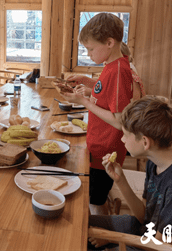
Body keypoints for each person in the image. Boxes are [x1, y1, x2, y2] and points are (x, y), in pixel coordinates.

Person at [88, 96, 172, 250]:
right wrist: (120, 180)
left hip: (162, 247)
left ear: (145, 142)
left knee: (88, 241)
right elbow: (144, 217)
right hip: (146, 232)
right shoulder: (154, 161)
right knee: (84, 224)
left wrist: (111, 239)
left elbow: (158, 246)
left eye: (126, 135)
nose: (122, 139)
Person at [61, 13, 134, 215]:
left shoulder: (119, 70)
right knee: (97, 193)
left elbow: (119, 121)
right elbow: (107, 92)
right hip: (100, 144)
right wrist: (87, 81)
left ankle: (102, 240)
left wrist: (83, 101)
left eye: (90, 49)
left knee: (96, 200)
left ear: (110, 42)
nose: (88, 54)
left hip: (106, 150)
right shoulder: (113, 66)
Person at [69, 42, 145, 100]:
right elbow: (103, 87)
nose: (104, 64)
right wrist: (83, 80)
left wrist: (91, 93)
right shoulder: (118, 69)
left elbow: (126, 104)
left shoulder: (126, 74)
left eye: (106, 60)